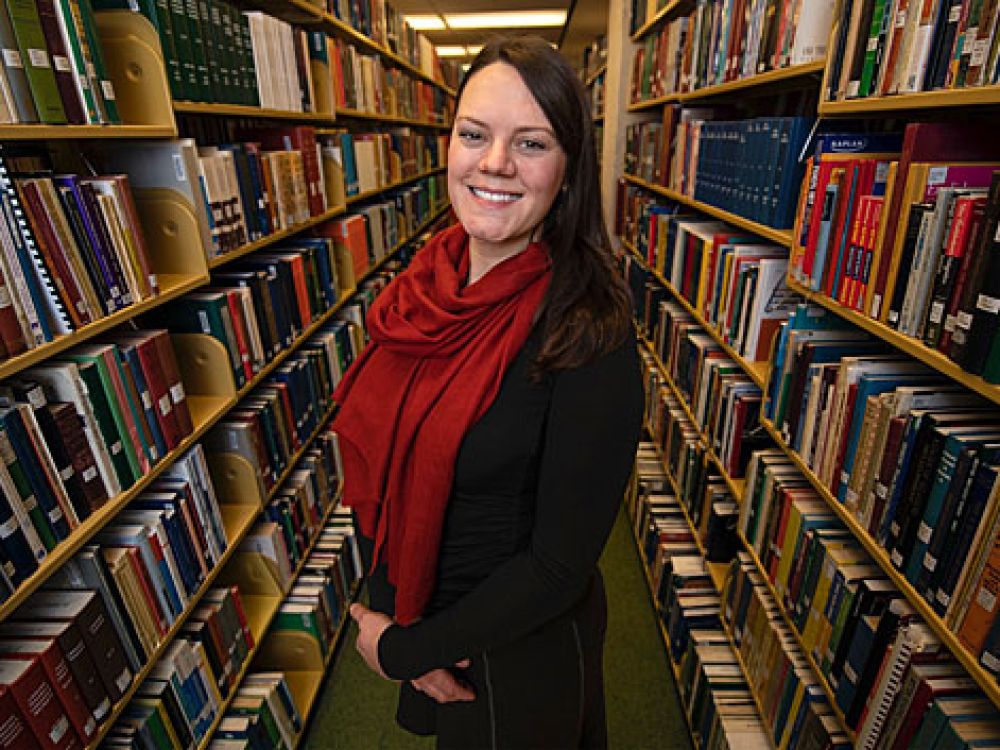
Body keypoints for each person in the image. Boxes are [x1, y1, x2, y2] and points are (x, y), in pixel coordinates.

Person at [331, 35, 643, 749]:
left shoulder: (591, 330)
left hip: (514, 657)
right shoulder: (419, 292)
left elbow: (559, 566)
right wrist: (402, 622)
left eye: (531, 143)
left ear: (568, 169)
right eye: (474, 134)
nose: (495, 162)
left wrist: (404, 651)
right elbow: (384, 459)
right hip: (428, 623)